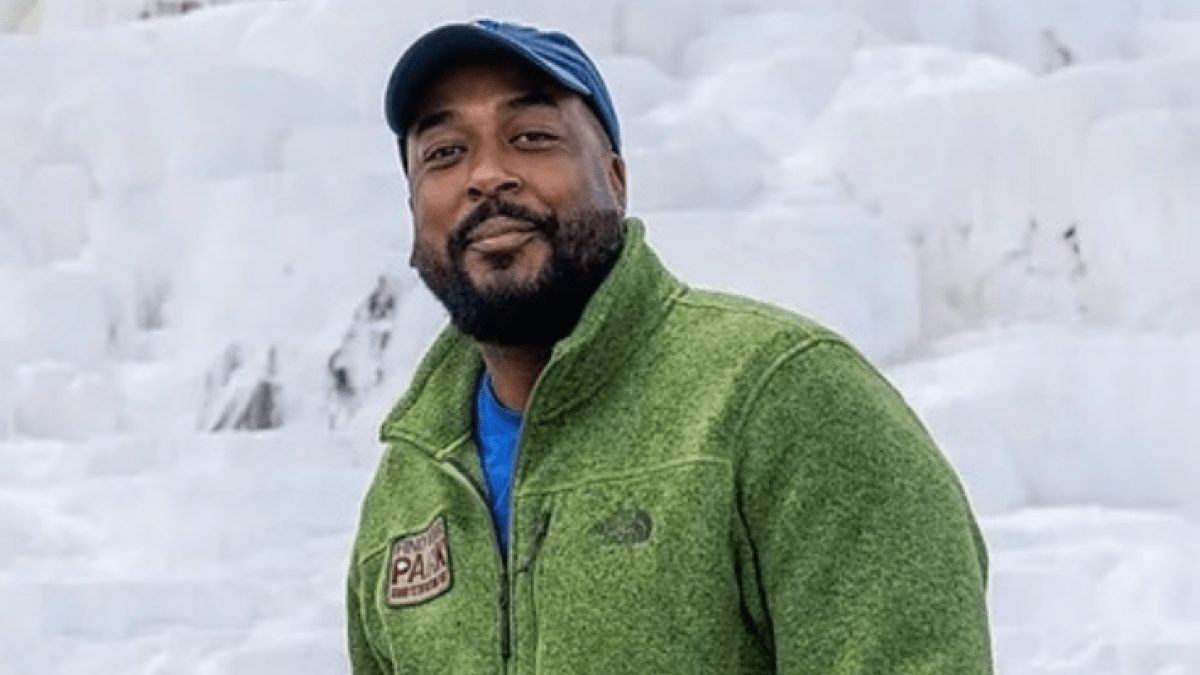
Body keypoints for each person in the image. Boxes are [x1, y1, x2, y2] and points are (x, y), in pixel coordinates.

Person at [346, 18, 993, 675]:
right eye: (444, 153)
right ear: (412, 206)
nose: (487, 175)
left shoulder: (784, 397)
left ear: (617, 180)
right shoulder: (409, 484)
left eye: (531, 137)